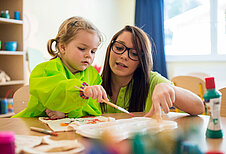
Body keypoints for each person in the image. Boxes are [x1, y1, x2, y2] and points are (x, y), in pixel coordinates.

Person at [12, 16, 108, 119]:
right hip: (34, 126)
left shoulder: (93, 75)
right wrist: (83, 91)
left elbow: (93, 110)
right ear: (63, 47)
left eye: (93, 51)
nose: (89, 55)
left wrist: (67, 114)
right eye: (82, 48)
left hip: (72, 131)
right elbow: (57, 94)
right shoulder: (45, 70)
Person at [101, 25, 204, 119]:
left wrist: (170, 89)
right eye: (119, 48)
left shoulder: (151, 81)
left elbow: (199, 107)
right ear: (110, 48)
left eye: (134, 54)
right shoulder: (93, 81)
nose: (124, 56)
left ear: (141, 61)